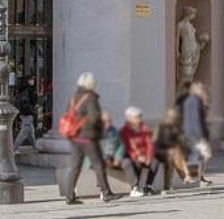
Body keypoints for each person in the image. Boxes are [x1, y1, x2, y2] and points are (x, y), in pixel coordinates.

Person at [57, 73, 118, 204]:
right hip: (88, 137)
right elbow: (95, 117)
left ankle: (69, 196)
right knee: (98, 164)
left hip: (74, 137)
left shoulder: (73, 98)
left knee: (75, 166)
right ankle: (106, 192)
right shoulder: (90, 98)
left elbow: (68, 114)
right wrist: (98, 129)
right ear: (91, 85)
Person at [179, 81, 214, 187]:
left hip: (188, 132)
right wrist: (201, 135)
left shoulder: (189, 100)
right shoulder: (196, 100)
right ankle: (195, 176)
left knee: (195, 155)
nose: (203, 90)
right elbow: (196, 119)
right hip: (196, 134)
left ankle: (193, 176)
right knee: (205, 154)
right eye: (201, 89)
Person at [118, 107, 157, 196]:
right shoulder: (124, 131)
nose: (140, 119)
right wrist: (137, 157)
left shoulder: (145, 128)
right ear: (129, 118)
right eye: (137, 117)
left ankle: (146, 186)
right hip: (131, 156)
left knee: (155, 161)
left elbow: (150, 144)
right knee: (126, 162)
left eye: (140, 116)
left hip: (144, 155)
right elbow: (127, 147)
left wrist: (148, 157)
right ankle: (135, 187)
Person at [152, 104, 188, 193]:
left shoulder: (177, 128)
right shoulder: (161, 126)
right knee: (171, 156)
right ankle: (183, 176)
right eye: (173, 116)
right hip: (159, 151)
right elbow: (155, 142)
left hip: (173, 153)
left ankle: (168, 184)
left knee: (172, 156)